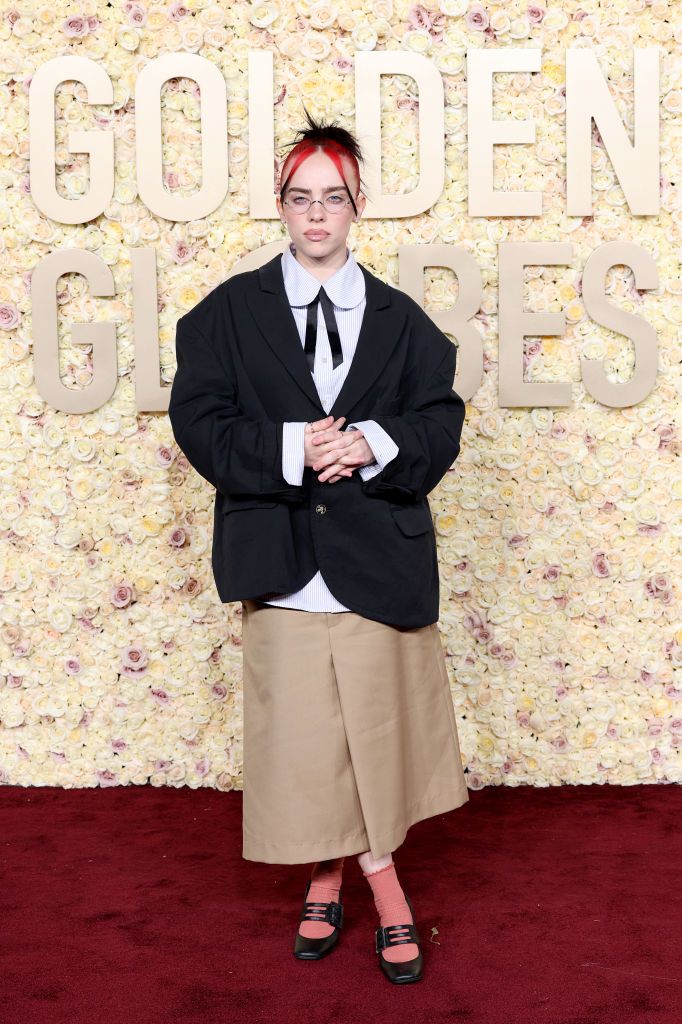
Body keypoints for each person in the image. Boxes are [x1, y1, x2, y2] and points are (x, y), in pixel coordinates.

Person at [168, 108, 469, 985]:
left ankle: (331, 875)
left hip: (379, 562)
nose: (315, 217)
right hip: (282, 562)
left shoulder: (407, 320)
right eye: (300, 199)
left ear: (357, 206)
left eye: (332, 199)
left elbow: (438, 426)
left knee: (372, 739)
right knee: (306, 743)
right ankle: (384, 888)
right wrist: (295, 446)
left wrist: (369, 440)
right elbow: (203, 427)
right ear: (280, 205)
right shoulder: (224, 316)